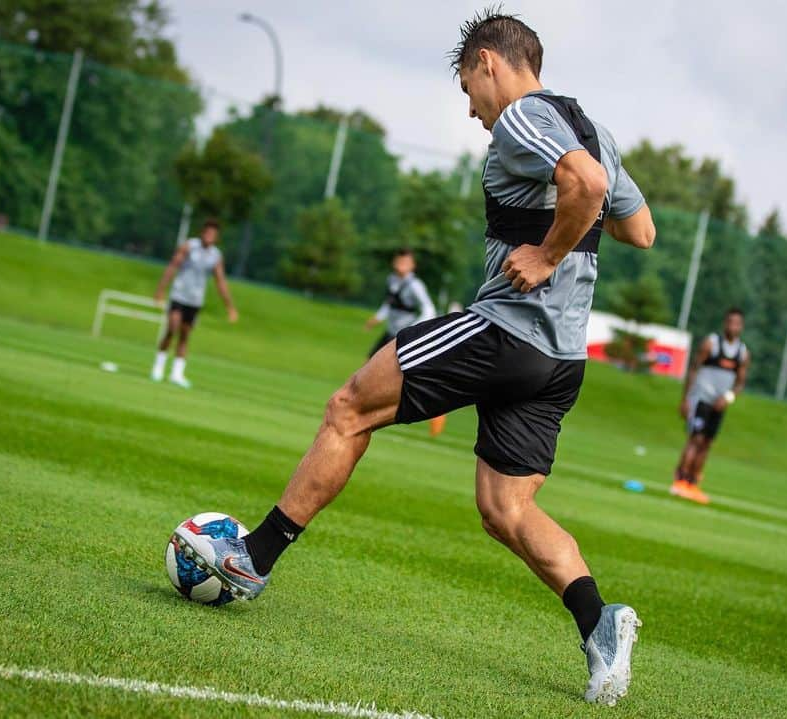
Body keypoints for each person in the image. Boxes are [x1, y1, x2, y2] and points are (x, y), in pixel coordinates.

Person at [174, 9, 655, 705]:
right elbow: (639, 228)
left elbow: (587, 187)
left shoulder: (524, 116)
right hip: (563, 357)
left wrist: (547, 252)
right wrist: (567, 214)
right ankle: (600, 623)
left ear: (490, 61)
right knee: (505, 507)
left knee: (349, 406)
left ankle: (254, 557)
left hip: (508, 331)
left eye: (468, 89)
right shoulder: (596, 129)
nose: (473, 112)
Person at [671, 309, 750, 505]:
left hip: (719, 404)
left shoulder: (742, 352)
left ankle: (693, 483)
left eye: (737, 323)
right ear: (725, 323)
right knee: (695, 439)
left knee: (707, 443)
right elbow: (694, 369)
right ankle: (680, 480)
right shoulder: (711, 344)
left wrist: (728, 397)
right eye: (730, 322)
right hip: (701, 398)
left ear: (741, 327)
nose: (733, 327)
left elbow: (740, 383)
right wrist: (686, 399)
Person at [365, 248, 445, 435]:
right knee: (368, 366)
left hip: (402, 337)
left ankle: (437, 414)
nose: (401, 265)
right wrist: (377, 317)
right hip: (389, 333)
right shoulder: (391, 280)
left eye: (405, 262)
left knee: (409, 379)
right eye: (398, 261)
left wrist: (413, 331)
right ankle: (367, 404)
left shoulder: (415, 286)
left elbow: (429, 310)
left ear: (412, 266)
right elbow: (389, 304)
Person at [151, 219, 238, 388]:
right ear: (202, 232)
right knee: (172, 328)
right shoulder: (189, 246)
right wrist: (161, 289)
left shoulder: (215, 256)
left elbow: (221, 282)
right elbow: (172, 266)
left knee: (184, 335)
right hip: (179, 295)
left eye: (213, 233)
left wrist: (230, 307)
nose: (209, 236)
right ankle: (158, 367)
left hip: (195, 300)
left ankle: (177, 373)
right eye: (207, 232)